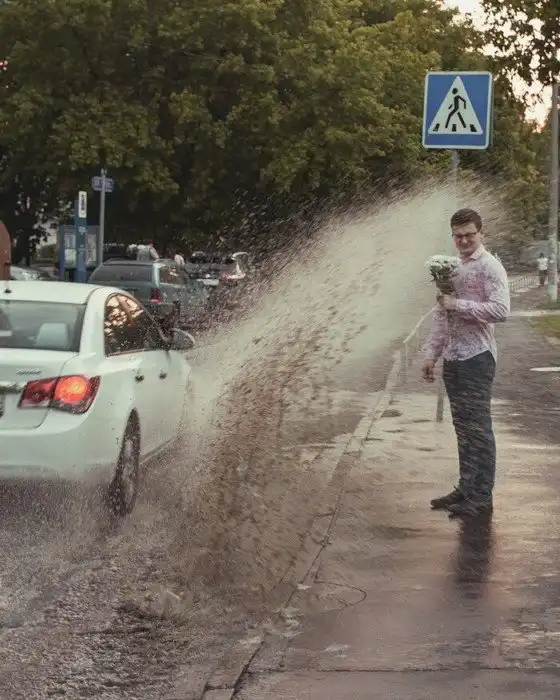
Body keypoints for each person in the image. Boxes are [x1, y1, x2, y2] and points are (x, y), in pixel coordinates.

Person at [422, 208, 510, 518]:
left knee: (479, 429)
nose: (463, 241)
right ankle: (466, 487)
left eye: (469, 235)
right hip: (453, 358)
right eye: (458, 236)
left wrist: (457, 303)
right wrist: (431, 355)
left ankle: (482, 496)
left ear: (481, 233)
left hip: (477, 358)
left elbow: (500, 310)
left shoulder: (490, 267)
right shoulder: (451, 269)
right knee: (462, 427)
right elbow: (442, 316)